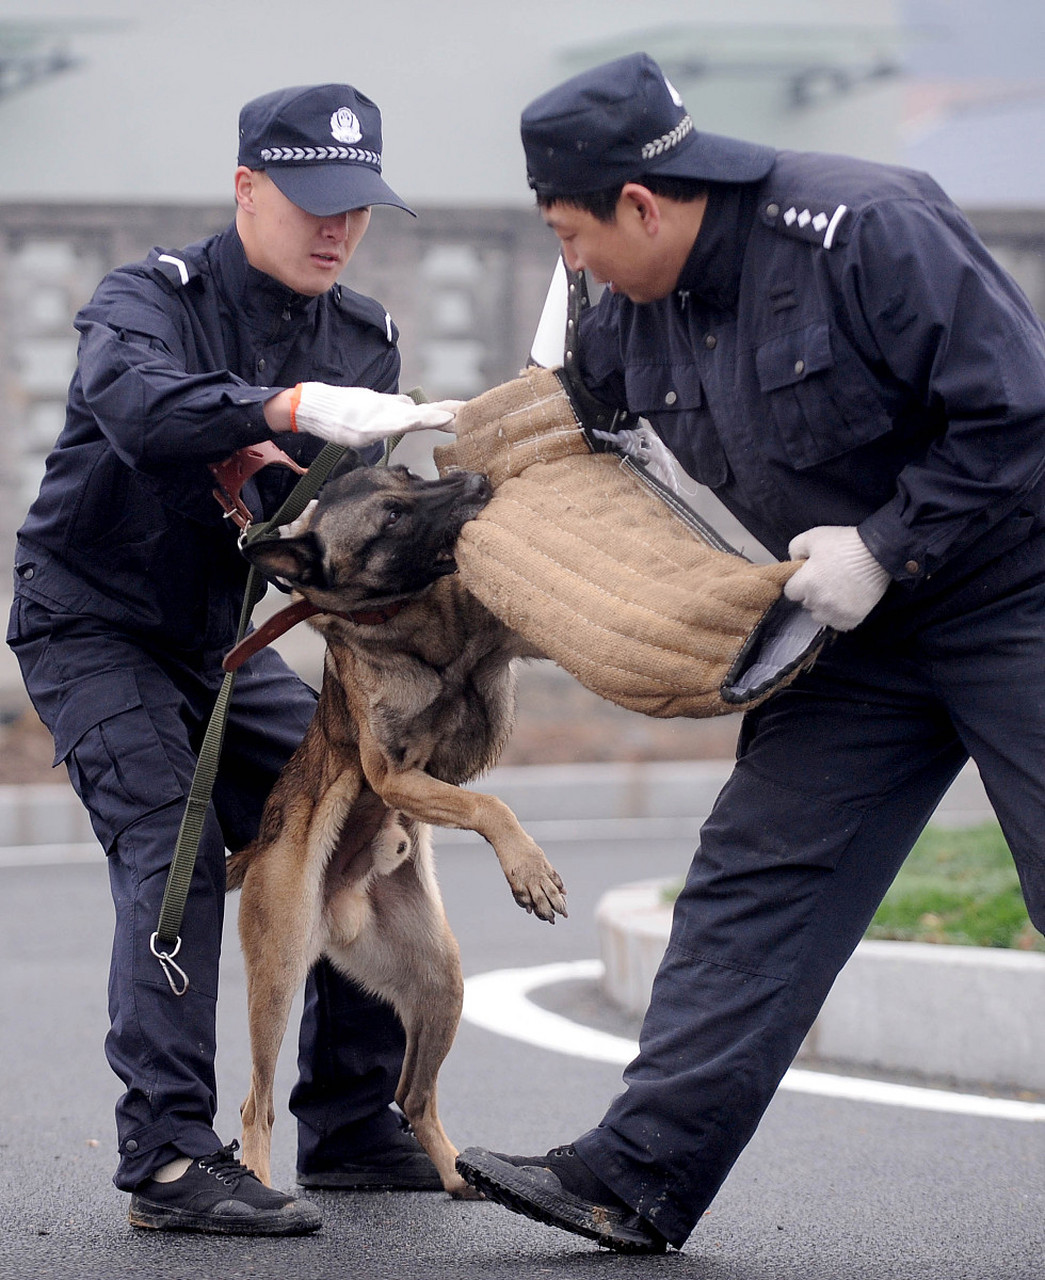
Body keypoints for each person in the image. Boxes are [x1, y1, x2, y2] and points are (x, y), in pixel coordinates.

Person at [456, 51, 1045, 1254]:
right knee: (754, 880)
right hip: (854, 630)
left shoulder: (864, 229)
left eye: (573, 232)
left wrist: (886, 541)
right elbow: (581, 427)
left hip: (1012, 586)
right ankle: (635, 1174)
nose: (569, 260)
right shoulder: (623, 298)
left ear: (640, 203)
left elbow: (1019, 409)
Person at [7, 82, 460, 1236]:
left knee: (356, 803)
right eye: (311, 199)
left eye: (357, 206)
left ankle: (354, 1125)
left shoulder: (365, 333)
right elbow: (138, 406)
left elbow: (351, 528)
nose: (337, 228)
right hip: (92, 621)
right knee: (175, 838)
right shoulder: (148, 299)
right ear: (248, 187)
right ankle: (167, 1158)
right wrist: (288, 402)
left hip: (223, 638)